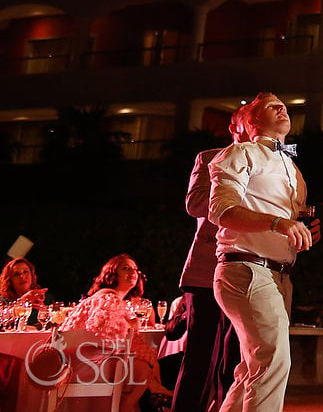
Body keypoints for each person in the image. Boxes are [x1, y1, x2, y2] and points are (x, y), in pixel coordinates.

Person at [209, 92, 319, 412]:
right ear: (251, 121)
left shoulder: (292, 167)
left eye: (283, 105)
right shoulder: (240, 152)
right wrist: (278, 222)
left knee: (252, 370)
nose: (282, 107)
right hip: (245, 266)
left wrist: (305, 229)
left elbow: (292, 221)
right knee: (273, 361)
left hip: (279, 275)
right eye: (272, 106)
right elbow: (222, 211)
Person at [60, 253, 172, 412]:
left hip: (80, 361)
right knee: (140, 369)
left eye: (135, 269)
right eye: (125, 268)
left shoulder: (108, 297)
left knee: (136, 368)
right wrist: (151, 360)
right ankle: (148, 392)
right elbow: (111, 339)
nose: (132, 272)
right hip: (84, 365)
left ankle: (145, 394)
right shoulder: (109, 298)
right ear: (111, 273)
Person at [173, 147, 237, 412]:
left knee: (236, 362)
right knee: (200, 360)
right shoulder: (210, 157)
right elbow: (195, 204)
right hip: (206, 272)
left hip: (252, 273)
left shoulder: (275, 160)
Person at [0, 257, 50, 327]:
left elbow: (51, 326)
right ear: (9, 280)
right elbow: (4, 324)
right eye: (16, 274)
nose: (22, 276)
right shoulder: (3, 301)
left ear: (32, 275)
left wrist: (44, 311)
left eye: (25, 272)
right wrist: (21, 303)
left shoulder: (43, 298)